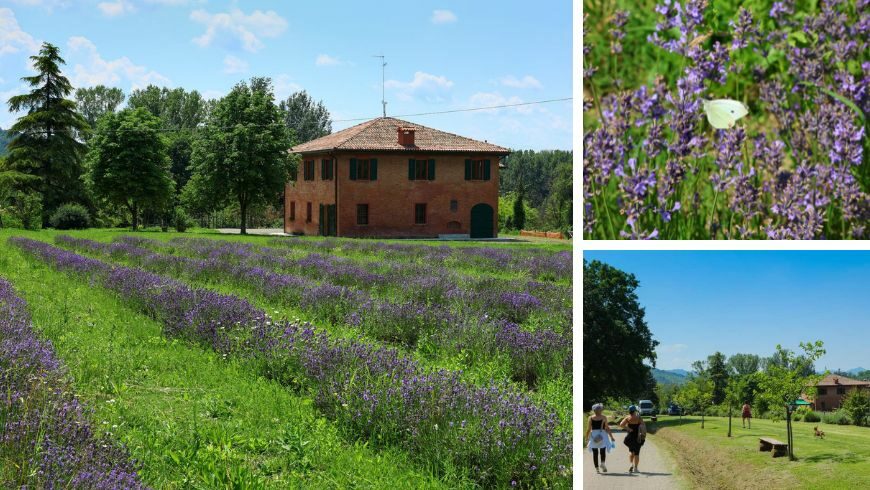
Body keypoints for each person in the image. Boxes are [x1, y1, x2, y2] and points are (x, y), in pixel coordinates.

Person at [585, 403, 616, 473]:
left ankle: (597, 469)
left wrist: (586, 438)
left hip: (594, 435)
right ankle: (602, 463)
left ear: (594, 410)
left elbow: (588, 429)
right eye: (600, 409)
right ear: (599, 410)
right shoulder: (604, 417)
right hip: (602, 434)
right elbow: (607, 428)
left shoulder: (590, 418)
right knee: (602, 451)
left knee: (595, 453)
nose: (601, 410)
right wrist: (611, 437)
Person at [619, 405, 647, 473]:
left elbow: (621, 424)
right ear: (635, 411)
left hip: (630, 437)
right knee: (637, 453)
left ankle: (631, 464)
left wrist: (628, 428)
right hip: (637, 437)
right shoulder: (638, 417)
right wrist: (643, 434)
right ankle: (636, 468)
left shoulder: (627, 418)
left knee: (632, 452)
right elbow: (643, 426)